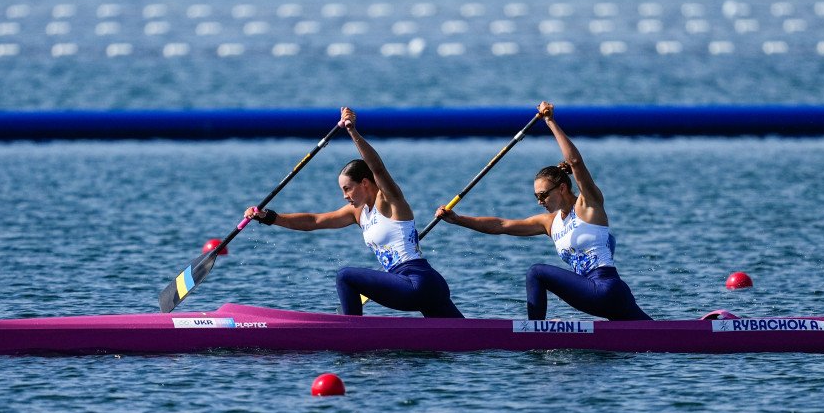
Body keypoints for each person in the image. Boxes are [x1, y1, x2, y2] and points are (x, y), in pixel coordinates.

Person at [436, 101, 651, 322]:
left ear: (562, 188)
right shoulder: (550, 223)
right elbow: (501, 226)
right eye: (536, 197)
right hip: (607, 294)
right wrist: (458, 219)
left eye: (543, 195)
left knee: (536, 272)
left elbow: (575, 162)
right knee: (654, 335)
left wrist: (550, 121)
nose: (540, 202)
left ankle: (535, 330)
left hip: (605, 288)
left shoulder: (589, 205)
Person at [245, 107, 463, 318]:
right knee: (465, 338)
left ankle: (350, 330)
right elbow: (314, 221)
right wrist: (269, 217)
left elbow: (378, 168)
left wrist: (352, 130)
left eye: (347, 189)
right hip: (424, 286)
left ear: (365, 183)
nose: (345, 196)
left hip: (417, 282)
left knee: (345, 276)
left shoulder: (389, 200)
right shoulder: (357, 213)